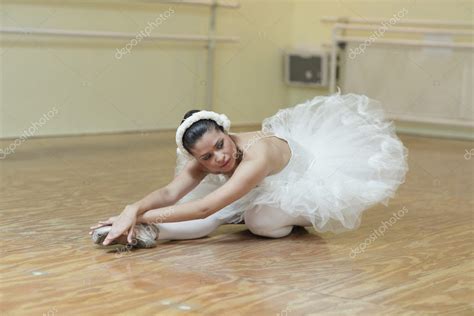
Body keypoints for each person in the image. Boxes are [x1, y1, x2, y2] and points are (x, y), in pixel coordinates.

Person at [90, 89, 409, 248]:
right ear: (195, 157)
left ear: (226, 132)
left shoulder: (257, 155)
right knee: (200, 212)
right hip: (250, 188)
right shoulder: (208, 158)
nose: (218, 159)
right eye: (206, 158)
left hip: (303, 185)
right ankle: (148, 234)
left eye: (220, 145)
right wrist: (132, 209)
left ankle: (287, 219)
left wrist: (138, 213)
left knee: (260, 221)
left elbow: (204, 208)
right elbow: (171, 192)